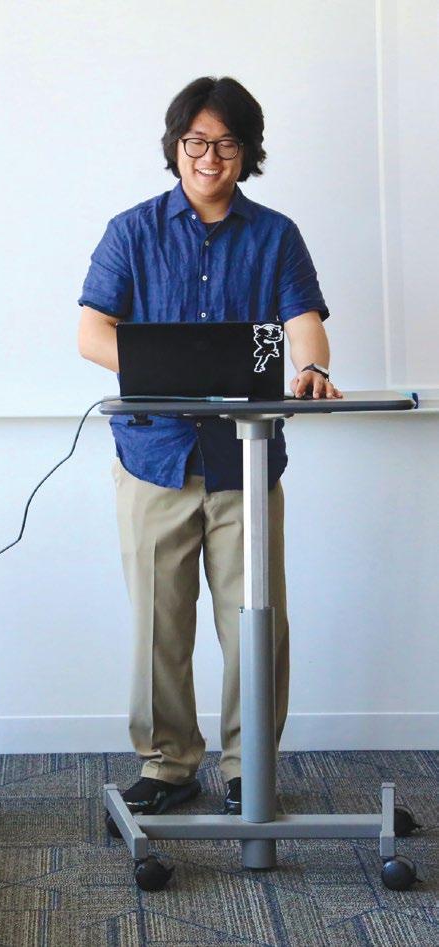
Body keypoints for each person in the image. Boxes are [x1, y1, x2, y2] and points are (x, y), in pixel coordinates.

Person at [77, 76, 342, 817]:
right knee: (158, 624)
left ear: (247, 152)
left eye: (227, 143)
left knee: (255, 623)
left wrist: (312, 367)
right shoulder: (131, 231)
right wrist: (168, 375)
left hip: (245, 461)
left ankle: (248, 766)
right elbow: (92, 332)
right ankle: (167, 765)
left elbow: (304, 320)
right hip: (153, 458)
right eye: (196, 141)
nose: (210, 157)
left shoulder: (276, 235)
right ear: (176, 146)